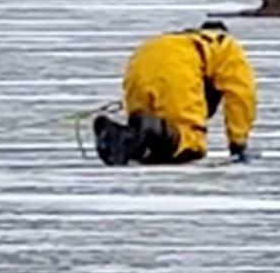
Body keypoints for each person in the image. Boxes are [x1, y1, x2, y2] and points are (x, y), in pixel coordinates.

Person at [94, 21, 256, 165]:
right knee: (189, 146)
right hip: (178, 67)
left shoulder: (186, 39)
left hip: (141, 60)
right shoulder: (227, 47)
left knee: (152, 146)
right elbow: (242, 96)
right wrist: (238, 142)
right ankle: (148, 128)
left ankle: (123, 135)